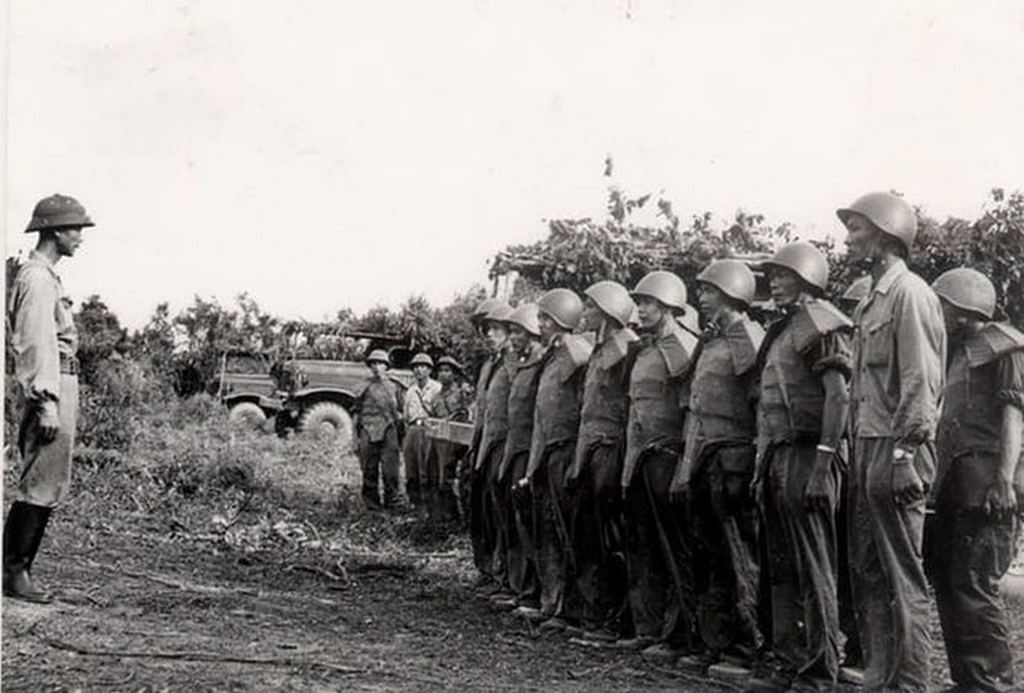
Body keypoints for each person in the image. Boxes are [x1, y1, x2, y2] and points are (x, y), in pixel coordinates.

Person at [839, 191, 946, 690]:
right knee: (868, 569)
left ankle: (910, 684)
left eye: (857, 229)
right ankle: (882, 676)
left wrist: (905, 453)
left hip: (897, 447)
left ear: (884, 235)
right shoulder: (870, 299)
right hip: (867, 445)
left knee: (902, 574)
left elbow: (919, 383)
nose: (848, 238)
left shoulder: (911, 295)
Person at [754, 242, 853, 686]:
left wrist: (823, 463)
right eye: (772, 274)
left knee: (814, 564)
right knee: (784, 563)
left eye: (784, 274)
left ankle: (820, 667)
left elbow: (838, 396)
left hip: (808, 455)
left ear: (808, 279)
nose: (774, 281)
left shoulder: (821, 323)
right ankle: (791, 657)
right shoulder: (787, 327)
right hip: (780, 455)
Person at [924, 268, 1023, 691]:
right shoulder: (962, 351)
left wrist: (1004, 479)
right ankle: (969, 681)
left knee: (974, 585)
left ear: (965, 309)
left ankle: (992, 684)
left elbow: (1013, 416)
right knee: (948, 579)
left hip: (985, 485)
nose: (938, 313)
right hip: (956, 484)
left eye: (943, 305)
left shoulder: (1006, 347)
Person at [672, 259, 764, 675]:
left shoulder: (747, 336)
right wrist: (686, 468)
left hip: (735, 464)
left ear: (731, 293)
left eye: (709, 291)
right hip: (707, 461)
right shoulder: (710, 343)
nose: (702, 298)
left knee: (739, 555)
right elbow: (695, 410)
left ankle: (746, 647)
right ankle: (716, 642)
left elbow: (761, 404)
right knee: (709, 555)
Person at [4, 194, 93, 603]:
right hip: (51, 383)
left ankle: (19, 569)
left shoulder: (46, 277)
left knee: (50, 479)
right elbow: (35, 344)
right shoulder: (37, 278)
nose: (80, 237)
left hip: (62, 382)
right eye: (76, 228)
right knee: (40, 480)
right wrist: (46, 401)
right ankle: (14, 572)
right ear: (55, 230)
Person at [615, 271, 699, 662]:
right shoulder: (645, 351)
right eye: (639, 302)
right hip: (642, 460)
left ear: (668, 306)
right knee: (642, 545)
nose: (640, 309)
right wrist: (629, 470)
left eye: (648, 302)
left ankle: (679, 634)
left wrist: (684, 466)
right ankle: (647, 628)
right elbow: (634, 414)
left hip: (669, 459)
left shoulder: (682, 348)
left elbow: (692, 412)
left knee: (673, 550)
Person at [564, 280, 638, 643]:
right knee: (589, 532)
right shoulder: (598, 350)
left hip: (611, 449)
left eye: (591, 307)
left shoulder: (626, 350)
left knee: (610, 537)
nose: (585, 313)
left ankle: (613, 619)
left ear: (608, 313)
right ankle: (594, 613)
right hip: (591, 449)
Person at [517, 289, 592, 632]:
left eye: (547, 318)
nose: (541, 324)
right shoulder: (552, 355)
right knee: (547, 529)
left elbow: (585, 410)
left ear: (563, 320)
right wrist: (533, 467)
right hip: (548, 453)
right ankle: (552, 603)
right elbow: (541, 414)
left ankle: (573, 611)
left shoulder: (577, 354)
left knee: (569, 533)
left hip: (566, 451)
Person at [498, 304, 545, 612]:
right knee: (517, 523)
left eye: (517, 332)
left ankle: (534, 591)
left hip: (531, 453)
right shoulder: (524, 364)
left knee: (532, 524)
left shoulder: (541, 364)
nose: (512, 338)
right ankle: (521, 587)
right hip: (516, 450)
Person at [470, 301, 515, 593]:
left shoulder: (514, 363)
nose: (489, 334)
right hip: (483, 444)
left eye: (496, 329)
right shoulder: (489, 364)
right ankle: (487, 570)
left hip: (503, 445)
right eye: (488, 329)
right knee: (481, 509)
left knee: (501, 513)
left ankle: (503, 575)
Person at [354, 349, 405, 511]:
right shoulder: (363, 385)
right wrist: (355, 436)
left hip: (389, 428)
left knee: (390, 469)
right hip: (367, 428)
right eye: (373, 364)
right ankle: (372, 504)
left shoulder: (395, 386)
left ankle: (392, 501)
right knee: (369, 468)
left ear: (386, 366)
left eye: (380, 364)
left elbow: (402, 411)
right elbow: (356, 411)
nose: (377, 367)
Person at [430, 356, 472, 523]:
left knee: (455, 478)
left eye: (447, 371)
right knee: (440, 478)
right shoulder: (436, 396)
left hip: (457, 440)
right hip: (440, 439)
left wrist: (453, 418)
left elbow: (467, 414)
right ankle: (447, 515)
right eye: (440, 371)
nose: (443, 374)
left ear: (454, 374)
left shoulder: (462, 393)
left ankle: (461, 515)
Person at [403, 353, 441, 511]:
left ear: (429, 370)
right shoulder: (410, 391)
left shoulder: (437, 388)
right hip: (412, 430)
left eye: (423, 367)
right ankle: (415, 503)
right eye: (416, 367)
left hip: (429, 430)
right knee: (411, 468)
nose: (419, 370)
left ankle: (431, 504)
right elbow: (406, 415)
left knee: (429, 468)